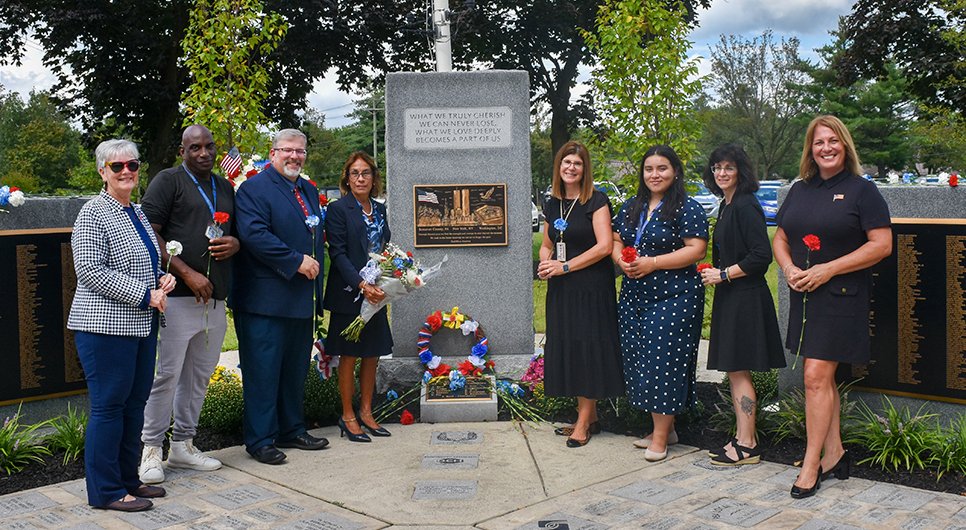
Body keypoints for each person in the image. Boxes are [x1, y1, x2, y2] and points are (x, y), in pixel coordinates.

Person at [774, 115, 891, 498]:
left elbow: (881, 245)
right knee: (821, 379)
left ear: (845, 146)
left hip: (842, 298)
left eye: (833, 141)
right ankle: (835, 452)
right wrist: (789, 267)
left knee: (813, 377)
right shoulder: (799, 189)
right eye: (819, 142)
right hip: (806, 295)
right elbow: (781, 237)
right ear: (810, 149)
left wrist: (828, 270)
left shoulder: (863, 191)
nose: (826, 148)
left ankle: (812, 464)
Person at [67, 139, 176, 512]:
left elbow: (142, 263)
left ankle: (130, 480)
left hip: (141, 328)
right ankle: (107, 491)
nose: (126, 171)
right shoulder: (93, 213)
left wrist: (162, 279)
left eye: (132, 164)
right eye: (117, 167)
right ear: (102, 172)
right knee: (109, 409)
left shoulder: (137, 212)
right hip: (104, 330)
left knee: (134, 407)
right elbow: (91, 271)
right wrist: (145, 295)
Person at [137, 125, 238, 483]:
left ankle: (183, 445)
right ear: (183, 150)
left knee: (199, 375)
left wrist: (235, 245)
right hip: (177, 297)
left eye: (210, 146)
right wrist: (185, 272)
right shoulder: (168, 181)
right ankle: (150, 450)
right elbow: (149, 231)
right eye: (195, 147)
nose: (204, 153)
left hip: (214, 299)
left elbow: (235, 233)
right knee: (167, 375)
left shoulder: (224, 186)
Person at [232, 128, 329, 464]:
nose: (294, 157)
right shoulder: (254, 189)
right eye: (287, 150)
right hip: (265, 301)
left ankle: (292, 429)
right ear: (272, 153)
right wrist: (296, 261)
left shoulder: (308, 190)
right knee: (263, 372)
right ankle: (260, 439)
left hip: (300, 299)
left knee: (293, 370)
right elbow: (254, 235)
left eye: (300, 152)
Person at [612, 145, 708, 462]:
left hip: (675, 296)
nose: (655, 174)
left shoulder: (687, 208)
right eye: (649, 169)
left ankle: (662, 438)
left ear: (675, 172)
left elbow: (696, 250)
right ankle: (665, 429)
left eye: (662, 168)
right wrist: (621, 260)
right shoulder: (632, 206)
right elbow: (615, 238)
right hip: (635, 295)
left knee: (663, 361)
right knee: (641, 359)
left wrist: (653, 262)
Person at [698, 144, 785, 466]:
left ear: (741, 172)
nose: (721, 173)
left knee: (738, 369)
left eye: (729, 168)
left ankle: (747, 443)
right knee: (736, 370)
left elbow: (762, 256)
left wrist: (722, 274)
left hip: (745, 297)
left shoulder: (746, 205)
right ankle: (743, 436)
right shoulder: (727, 204)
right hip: (732, 294)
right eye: (717, 167)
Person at [537, 141, 625, 448]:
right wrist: (546, 259)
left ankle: (584, 421)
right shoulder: (553, 203)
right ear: (558, 167)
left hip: (590, 286)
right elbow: (548, 241)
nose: (571, 167)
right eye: (566, 162)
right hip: (562, 288)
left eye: (577, 163)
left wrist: (565, 267)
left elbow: (603, 246)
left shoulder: (596, 201)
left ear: (585, 169)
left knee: (588, 346)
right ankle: (589, 415)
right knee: (571, 346)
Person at [324, 152, 392, 443]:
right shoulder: (339, 210)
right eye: (355, 173)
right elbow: (337, 253)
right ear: (347, 178)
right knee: (349, 354)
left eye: (366, 173)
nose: (361, 178)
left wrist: (391, 279)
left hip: (377, 293)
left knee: (372, 352)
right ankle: (348, 415)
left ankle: (366, 412)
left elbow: (385, 247)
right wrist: (363, 285)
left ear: (374, 178)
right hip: (350, 294)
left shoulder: (379, 210)